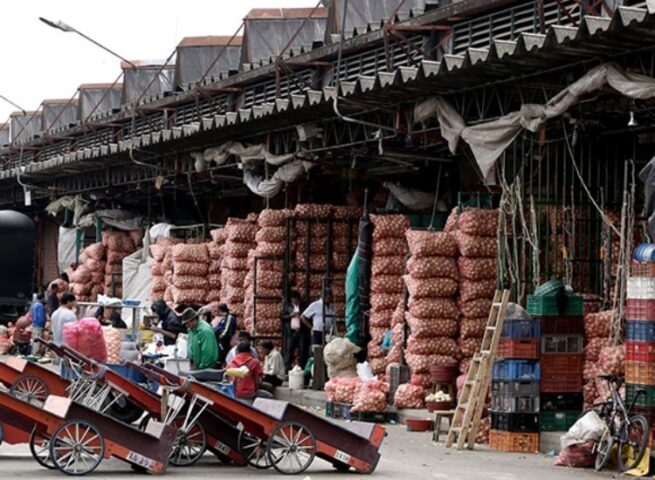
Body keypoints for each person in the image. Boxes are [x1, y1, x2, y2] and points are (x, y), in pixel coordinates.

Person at [282, 291, 310, 370]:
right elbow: (282, 317)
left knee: (302, 350)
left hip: (301, 332)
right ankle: (287, 368)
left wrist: (300, 314)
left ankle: (303, 368)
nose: (294, 301)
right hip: (291, 332)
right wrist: (290, 315)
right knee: (289, 350)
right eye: (293, 299)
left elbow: (308, 315)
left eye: (296, 299)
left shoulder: (304, 306)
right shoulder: (288, 306)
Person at [30, 292, 47, 356]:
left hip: (34, 324)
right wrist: (43, 325)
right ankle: (35, 354)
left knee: (34, 339)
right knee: (37, 340)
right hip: (38, 325)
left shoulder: (34, 304)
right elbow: (41, 316)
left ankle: (33, 353)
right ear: (42, 298)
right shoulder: (40, 305)